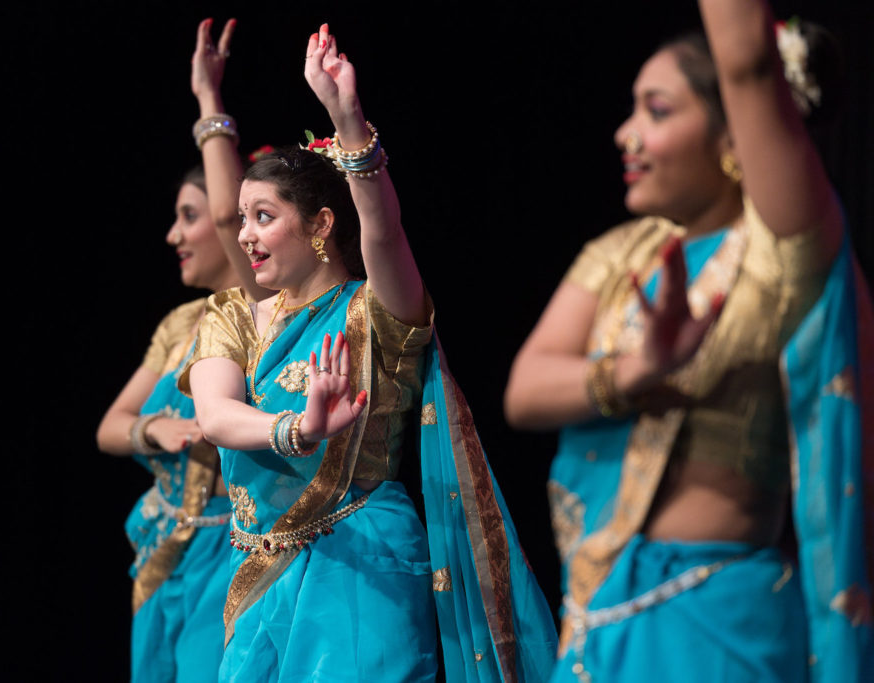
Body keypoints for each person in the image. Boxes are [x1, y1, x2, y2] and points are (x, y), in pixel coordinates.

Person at [504, 0, 873, 680]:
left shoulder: (786, 254)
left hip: (717, 623)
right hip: (596, 615)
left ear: (736, 136)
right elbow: (524, 392)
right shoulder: (621, 253)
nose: (625, 133)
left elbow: (748, 60)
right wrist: (639, 367)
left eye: (658, 109)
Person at [181, 23, 558, 683]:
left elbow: (383, 229)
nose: (245, 236)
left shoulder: (378, 313)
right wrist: (297, 429)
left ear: (321, 224)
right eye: (242, 220)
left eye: (264, 217)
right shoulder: (232, 317)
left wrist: (346, 118)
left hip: (363, 567)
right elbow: (214, 416)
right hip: (261, 575)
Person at [96, 17, 270, 682]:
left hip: (233, 554)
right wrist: (155, 426)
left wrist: (209, 102)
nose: (174, 234)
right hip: (163, 551)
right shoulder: (179, 324)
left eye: (189, 215)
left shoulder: (268, 314)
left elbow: (232, 214)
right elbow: (109, 427)